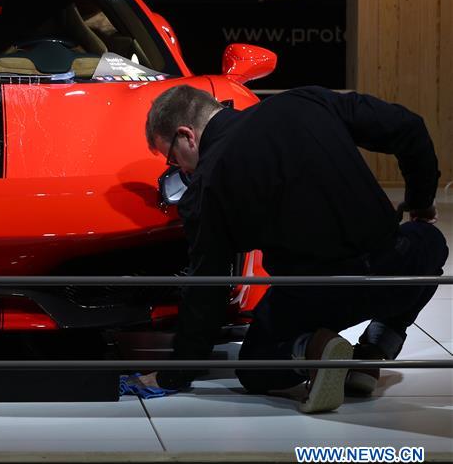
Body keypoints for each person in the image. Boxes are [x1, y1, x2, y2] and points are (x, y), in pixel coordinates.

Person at [142, 85, 447, 413]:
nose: (181, 170)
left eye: (173, 159)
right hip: (392, 272)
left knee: (255, 364)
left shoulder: (207, 185)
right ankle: (371, 354)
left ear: (187, 135)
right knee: (431, 242)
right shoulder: (306, 99)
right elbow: (408, 127)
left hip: (317, 298)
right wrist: (419, 202)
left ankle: (313, 350)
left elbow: (208, 289)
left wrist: (177, 372)